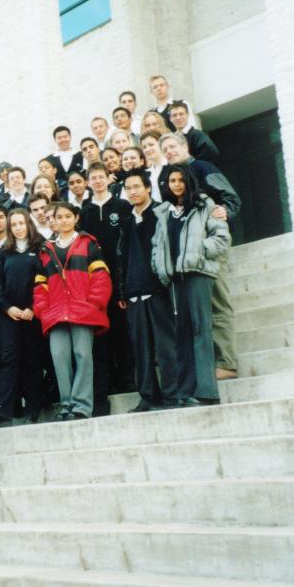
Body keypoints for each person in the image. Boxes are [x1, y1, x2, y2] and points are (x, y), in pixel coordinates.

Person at [159, 131, 241, 379]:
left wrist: (223, 212)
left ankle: (226, 362)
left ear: (184, 145)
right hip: (188, 254)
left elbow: (230, 198)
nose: (169, 152)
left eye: (172, 146)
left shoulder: (203, 167)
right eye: (165, 150)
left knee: (218, 303)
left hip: (210, 246)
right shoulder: (171, 177)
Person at [151, 164, 230, 405]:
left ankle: (206, 391)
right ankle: (185, 392)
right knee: (181, 333)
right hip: (175, 279)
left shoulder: (204, 205)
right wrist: (159, 264)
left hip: (198, 274)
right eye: (172, 180)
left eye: (181, 180)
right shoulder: (164, 212)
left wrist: (198, 251)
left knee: (200, 330)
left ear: (188, 181)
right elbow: (157, 245)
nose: (176, 185)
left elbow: (221, 237)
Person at [34, 202, 111, 420]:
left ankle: (81, 407)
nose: (64, 220)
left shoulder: (88, 243)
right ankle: (66, 404)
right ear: (53, 221)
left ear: (76, 218)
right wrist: (42, 309)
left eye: (68, 216)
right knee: (59, 356)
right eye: (59, 217)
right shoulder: (46, 250)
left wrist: (93, 302)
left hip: (83, 310)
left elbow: (101, 276)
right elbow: (40, 284)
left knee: (83, 355)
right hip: (55, 312)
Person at [115, 170, 179, 412]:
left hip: (158, 289)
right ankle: (148, 397)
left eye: (136, 187)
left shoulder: (161, 214)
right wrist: (122, 291)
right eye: (128, 188)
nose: (132, 192)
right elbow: (120, 258)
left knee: (166, 346)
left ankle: (173, 395)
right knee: (141, 349)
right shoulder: (126, 221)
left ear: (148, 188)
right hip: (134, 292)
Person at [81, 162, 133, 406]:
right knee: (102, 332)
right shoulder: (84, 211)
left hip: (119, 276)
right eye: (93, 178)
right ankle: (108, 380)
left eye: (101, 177)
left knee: (123, 330)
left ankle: (127, 379)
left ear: (108, 179)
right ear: (88, 182)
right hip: (95, 282)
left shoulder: (121, 206)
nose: (98, 181)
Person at [0, 209, 45, 427]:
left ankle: (33, 409)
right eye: (14, 224)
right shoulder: (4, 253)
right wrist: (7, 307)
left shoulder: (40, 248)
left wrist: (32, 307)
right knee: (8, 360)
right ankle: (3, 411)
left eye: (21, 223)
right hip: (9, 316)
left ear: (28, 224)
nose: (18, 227)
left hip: (33, 314)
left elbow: (45, 280)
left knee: (33, 360)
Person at [47, 126, 83, 190]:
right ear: (55, 140)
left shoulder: (81, 155)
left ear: (70, 137)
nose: (63, 140)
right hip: (59, 193)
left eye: (65, 137)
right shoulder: (49, 159)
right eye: (59, 138)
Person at [140, 130, 167, 202]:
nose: (147, 149)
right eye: (144, 147)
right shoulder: (146, 173)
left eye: (151, 145)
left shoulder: (172, 166)